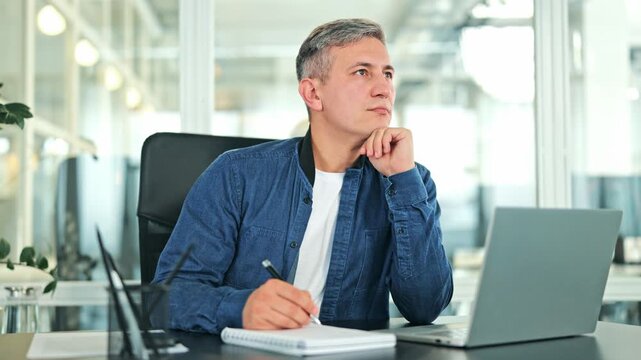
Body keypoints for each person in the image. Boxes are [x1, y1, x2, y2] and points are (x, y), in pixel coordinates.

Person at [153, 18, 453, 334]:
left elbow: (426, 307)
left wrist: (402, 180)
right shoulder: (237, 175)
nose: (383, 89)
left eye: (388, 74)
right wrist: (241, 308)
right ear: (313, 93)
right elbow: (164, 300)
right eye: (362, 72)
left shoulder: (411, 181)